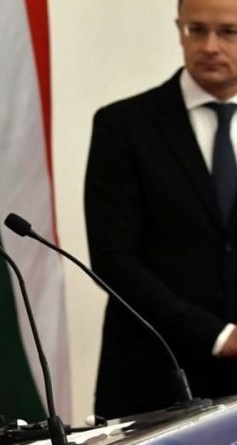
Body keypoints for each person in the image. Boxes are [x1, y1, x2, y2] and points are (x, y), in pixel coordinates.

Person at [85, 0, 237, 419]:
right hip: (153, 376)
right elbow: (113, 259)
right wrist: (217, 335)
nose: (210, 46)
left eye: (229, 32)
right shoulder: (123, 125)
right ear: (179, 29)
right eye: (196, 30)